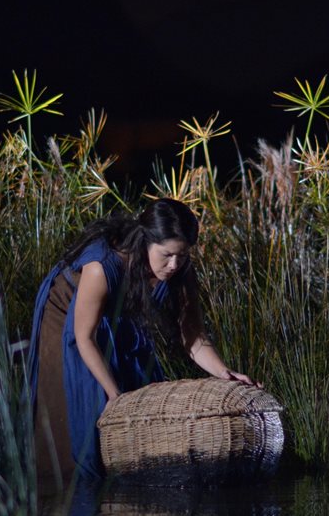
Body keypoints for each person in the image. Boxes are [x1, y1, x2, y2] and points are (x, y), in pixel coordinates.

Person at [29, 198, 256, 483]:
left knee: (136, 384)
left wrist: (225, 373)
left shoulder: (179, 268)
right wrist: (114, 396)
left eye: (182, 255)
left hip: (120, 311)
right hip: (69, 313)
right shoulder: (102, 265)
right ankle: (69, 490)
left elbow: (193, 335)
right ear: (146, 242)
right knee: (83, 405)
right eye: (166, 255)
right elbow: (83, 336)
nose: (174, 264)